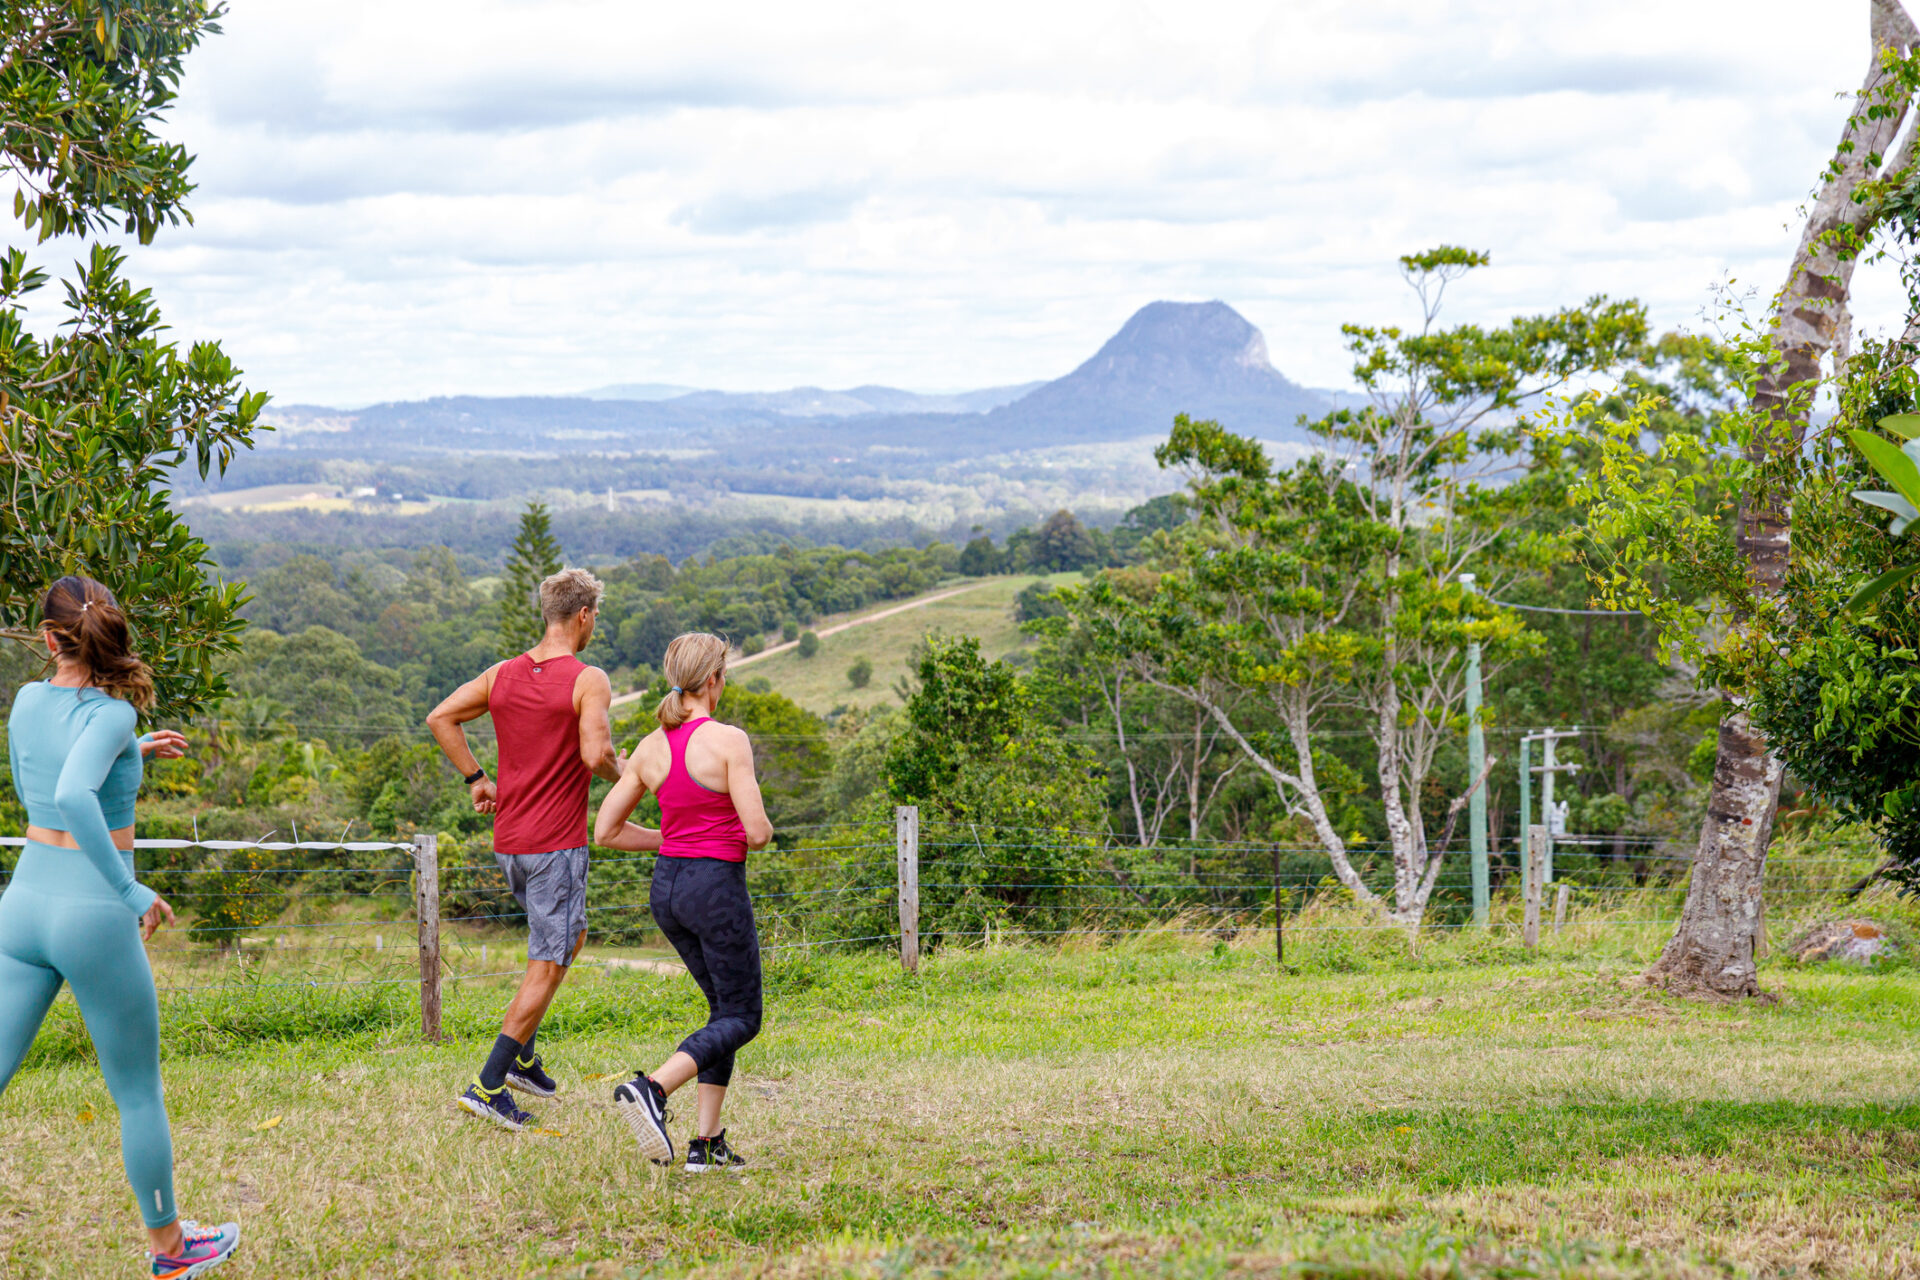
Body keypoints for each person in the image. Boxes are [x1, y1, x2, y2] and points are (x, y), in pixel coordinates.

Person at [0, 576, 241, 1278]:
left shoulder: (26, 700)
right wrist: (130, 888)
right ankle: (170, 1250)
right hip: (92, 914)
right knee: (137, 1092)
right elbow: (77, 791)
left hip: (24, 902)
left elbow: (42, 782)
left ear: (49, 640)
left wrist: (132, 752)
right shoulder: (108, 714)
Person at [427, 567, 655, 1130]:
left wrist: (476, 778)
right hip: (556, 844)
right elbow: (595, 754)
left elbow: (441, 716)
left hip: (511, 842)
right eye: (594, 615)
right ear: (584, 616)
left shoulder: (502, 673)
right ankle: (488, 1084)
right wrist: (632, 774)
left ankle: (524, 1059)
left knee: (570, 935)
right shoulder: (587, 678)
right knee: (549, 959)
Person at [595, 632, 772, 1172]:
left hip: (667, 889)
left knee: (722, 1012)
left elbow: (606, 830)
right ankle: (651, 1088)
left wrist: (673, 841)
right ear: (715, 679)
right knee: (744, 1015)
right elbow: (758, 832)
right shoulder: (728, 740)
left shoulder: (650, 747)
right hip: (714, 888)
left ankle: (706, 1144)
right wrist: (728, 837)